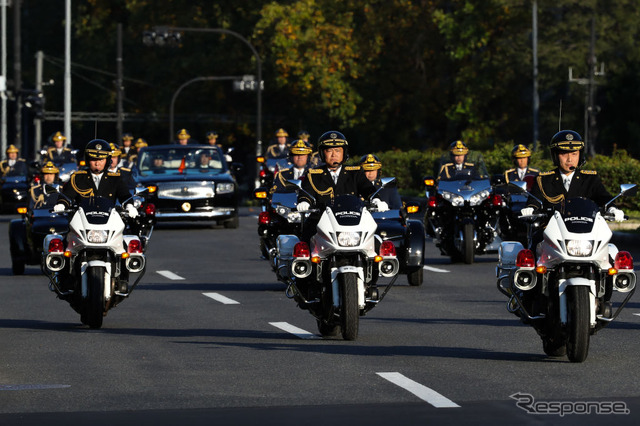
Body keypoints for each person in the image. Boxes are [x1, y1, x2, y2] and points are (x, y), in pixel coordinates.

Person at [521, 130, 623, 221]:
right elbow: (535, 200)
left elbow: (604, 197)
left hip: (584, 230)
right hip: (552, 232)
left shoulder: (590, 179)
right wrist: (531, 208)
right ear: (555, 156)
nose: (570, 159)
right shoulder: (543, 179)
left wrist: (613, 208)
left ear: (580, 156)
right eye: (564, 154)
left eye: (574, 154)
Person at [297, 131, 388, 212]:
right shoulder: (313, 175)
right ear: (322, 153)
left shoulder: (355, 172)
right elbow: (306, 193)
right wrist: (304, 202)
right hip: (321, 221)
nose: (334, 155)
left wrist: (376, 200)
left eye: (338, 151)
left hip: (351, 219)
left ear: (344, 153)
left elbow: (367, 189)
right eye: (329, 150)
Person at [53, 139, 137, 218]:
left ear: (107, 161)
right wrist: (61, 204)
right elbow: (67, 195)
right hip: (82, 221)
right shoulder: (78, 178)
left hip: (109, 221)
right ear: (87, 160)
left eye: (101, 160)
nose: (97, 163)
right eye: (93, 159)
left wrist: (129, 206)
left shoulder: (115, 178)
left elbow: (125, 195)